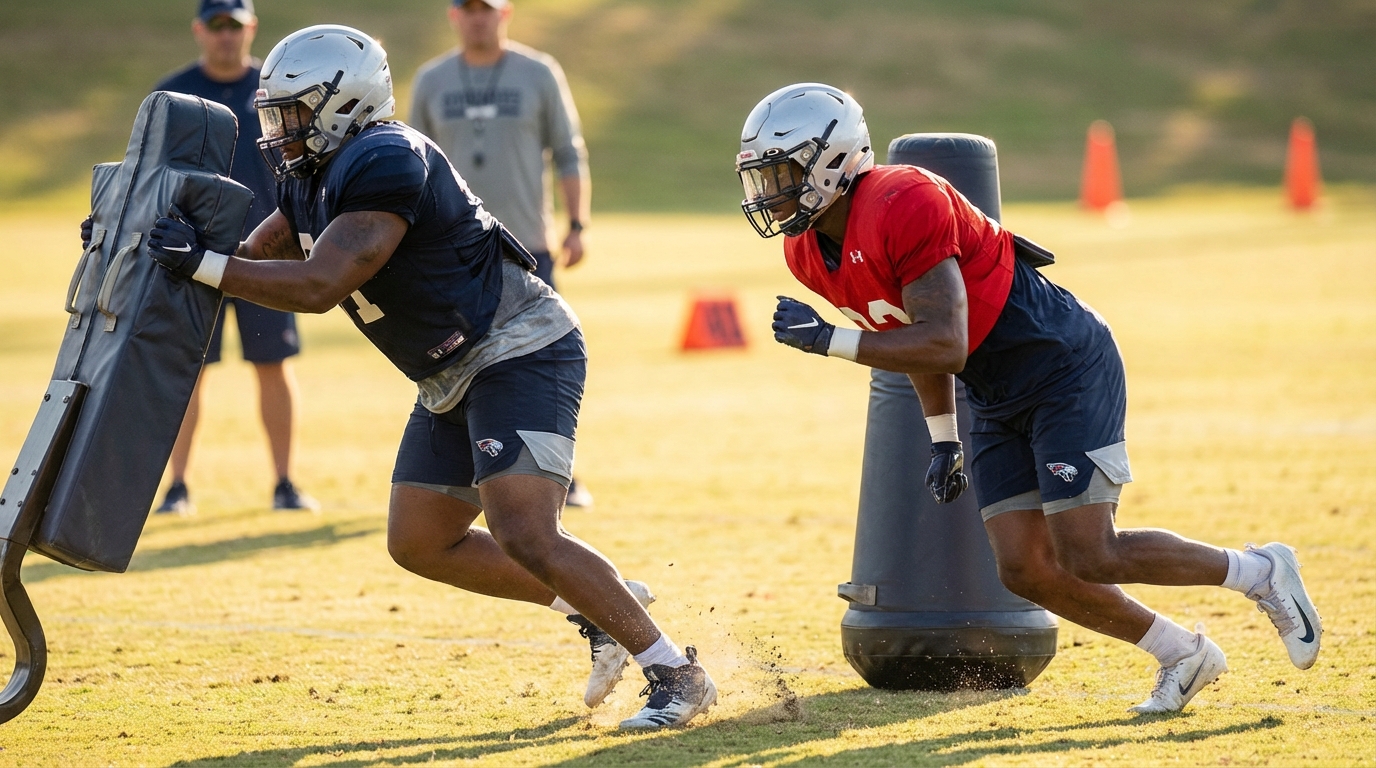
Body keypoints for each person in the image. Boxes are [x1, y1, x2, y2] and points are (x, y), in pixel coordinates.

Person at [140, 24, 715, 729]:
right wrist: (152, 246)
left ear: (343, 105)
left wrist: (200, 263)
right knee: (419, 541)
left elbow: (320, 283)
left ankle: (677, 674)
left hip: (517, 346)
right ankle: (598, 609)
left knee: (524, 530)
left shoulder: (387, 157)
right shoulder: (308, 177)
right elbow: (249, 259)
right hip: (449, 371)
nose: (281, 128)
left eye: (294, 111)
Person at [738, 83, 1322, 714]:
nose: (769, 192)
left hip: (1060, 363)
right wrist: (942, 437)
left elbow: (944, 342)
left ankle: (1261, 572)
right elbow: (907, 334)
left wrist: (828, 339)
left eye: (782, 173)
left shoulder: (905, 198)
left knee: (1090, 550)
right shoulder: (807, 253)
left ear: (833, 160)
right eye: (761, 177)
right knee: (1023, 568)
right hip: (993, 390)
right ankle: (1182, 652)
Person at [410, 0, 594, 508]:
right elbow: (407, 161)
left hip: (527, 246)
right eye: (467, 9)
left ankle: (560, 476)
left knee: (541, 365)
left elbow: (569, 150)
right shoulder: (432, 79)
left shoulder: (538, 73)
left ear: (504, 13)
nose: (477, 18)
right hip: (453, 253)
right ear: (453, 16)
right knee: (450, 359)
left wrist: (577, 224)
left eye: (486, 9)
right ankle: (460, 474)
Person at [151, 0, 315, 513]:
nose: (227, 36)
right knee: (188, 370)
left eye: (236, 26)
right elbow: (151, 175)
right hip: (189, 256)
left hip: (266, 255)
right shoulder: (172, 94)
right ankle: (176, 488)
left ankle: (285, 484)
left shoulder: (275, 91)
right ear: (200, 30)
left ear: (251, 29)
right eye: (217, 26)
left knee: (273, 365)